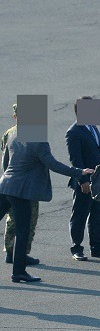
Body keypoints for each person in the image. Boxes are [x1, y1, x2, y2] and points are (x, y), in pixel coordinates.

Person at [0, 121, 93, 283]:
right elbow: (53, 164)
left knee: (20, 228)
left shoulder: (14, 134)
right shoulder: (38, 140)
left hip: (5, 185)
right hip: (21, 191)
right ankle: (19, 272)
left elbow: (6, 162)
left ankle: (19, 269)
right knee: (23, 231)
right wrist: (79, 172)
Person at [66, 97, 100, 261]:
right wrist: (83, 181)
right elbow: (76, 159)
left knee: (96, 215)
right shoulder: (73, 132)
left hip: (98, 180)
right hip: (85, 181)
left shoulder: (93, 128)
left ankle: (96, 246)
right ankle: (76, 247)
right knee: (80, 214)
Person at [2, 103, 40, 268]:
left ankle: (17, 253)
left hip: (16, 184)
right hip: (22, 185)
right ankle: (16, 253)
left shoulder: (12, 133)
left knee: (22, 219)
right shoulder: (15, 133)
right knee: (21, 220)